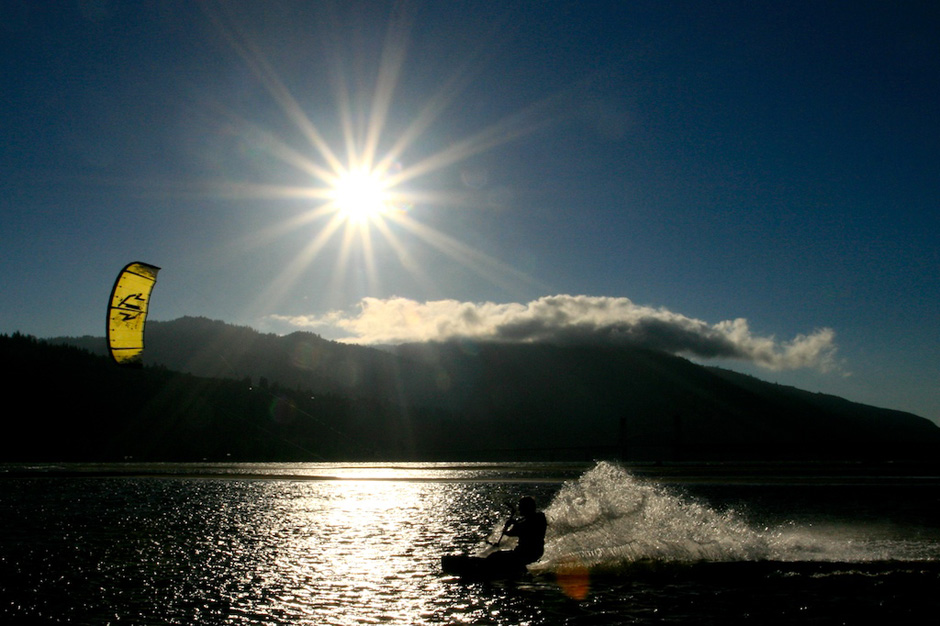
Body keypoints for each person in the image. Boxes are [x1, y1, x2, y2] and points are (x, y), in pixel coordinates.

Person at [486, 496, 547, 570]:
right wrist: (512, 524)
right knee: (496, 556)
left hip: (527, 553)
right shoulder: (535, 517)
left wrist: (510, 526)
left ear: (527, 508)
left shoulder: (537, 518)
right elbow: (521, 526)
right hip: (529, 552)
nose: (519, 509)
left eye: (521, 507)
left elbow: (520, 530)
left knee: (495, 556)